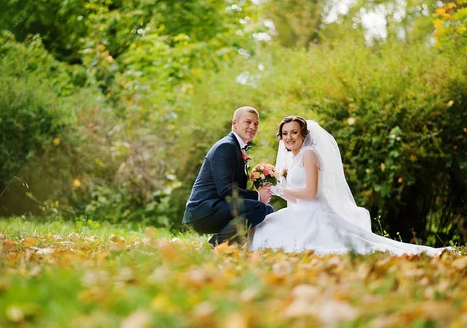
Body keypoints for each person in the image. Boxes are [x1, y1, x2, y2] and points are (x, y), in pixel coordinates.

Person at [250, 115, 446, 256]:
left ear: (303, 134)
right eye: (285, 133)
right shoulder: (294, 159)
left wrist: (280, 190)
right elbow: (294, 197)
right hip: (300, 211)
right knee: (264, 226)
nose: (289, 137)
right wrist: (274, 191)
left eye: (294, 132)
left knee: (268, 230)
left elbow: (311, 193)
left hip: (314, 213)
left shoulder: (309, 154)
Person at [183, 107, 274, 246]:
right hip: (204, 211)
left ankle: (248, 246)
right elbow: (225, 190)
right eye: (248, 122)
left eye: (256, 124)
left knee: (268, 210)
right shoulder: (226, 146)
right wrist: (257, 196)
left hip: (218, 207)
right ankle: (216, 245)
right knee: (259, 208)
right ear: (235, 123)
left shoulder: (236, 147)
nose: (252, 127)